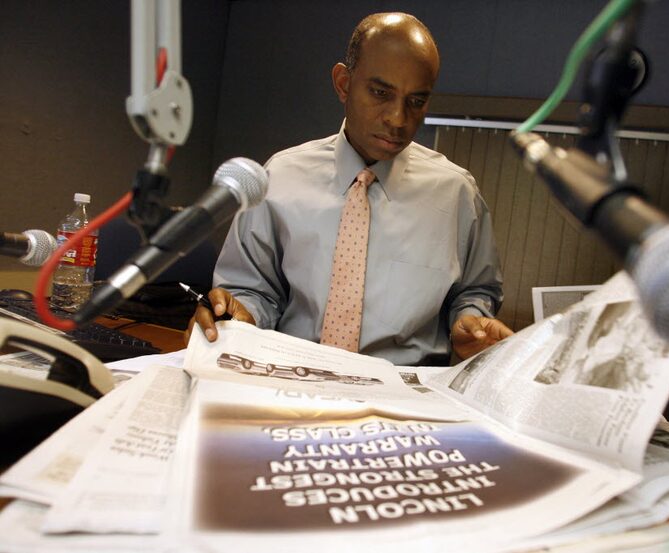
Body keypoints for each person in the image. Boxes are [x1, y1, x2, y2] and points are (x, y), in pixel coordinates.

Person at [185, 12, 512, 365]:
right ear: (343, 83)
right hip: (287, 379)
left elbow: (476, 290)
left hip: (404, 393)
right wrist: (238, 315)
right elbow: (251, 290)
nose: (398, 119)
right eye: (381, 93)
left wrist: (469, 320)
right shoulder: (280, 177)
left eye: (416, 101)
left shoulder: (457, 194)